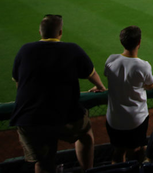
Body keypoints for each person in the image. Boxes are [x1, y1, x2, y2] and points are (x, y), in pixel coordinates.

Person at [10, 15, 107, 173]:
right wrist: (101, 86)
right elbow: (91, 73)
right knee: (85, 134)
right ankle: (88, 170)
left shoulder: (25, 50)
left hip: (29, 118)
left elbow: (18, 83)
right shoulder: (71, 49)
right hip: (64, 115)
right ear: (60, 32)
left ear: (40, 32)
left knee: (43, 162)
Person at [104, 26, 153, 164]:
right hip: (136, 119)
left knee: (118, 151)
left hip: (114, 118)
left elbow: (108, 76)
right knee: (138, 151)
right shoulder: (142, 65)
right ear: (139, 42)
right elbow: (151, 85)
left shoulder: (111, 60)